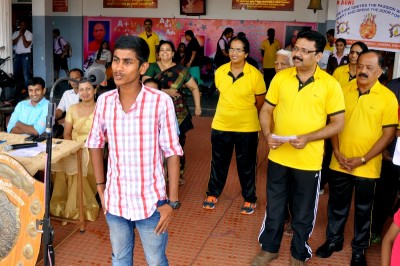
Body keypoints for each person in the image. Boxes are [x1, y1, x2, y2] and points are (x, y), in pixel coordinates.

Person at [86, 35, 183, 265]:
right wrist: (101, 188)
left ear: (143, 67)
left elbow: (172, 151)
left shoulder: (160, 102)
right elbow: (95, 143)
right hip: (115, 201)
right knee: (120, 259)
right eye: (116, 60)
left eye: (127, 62)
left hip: (151, 204)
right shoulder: (105, 101)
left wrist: (172, 203)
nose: (118, 68)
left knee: (156, 260)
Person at [252, 30, 345, 266]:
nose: (297, 54)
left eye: (305, 51)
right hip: (279, 156)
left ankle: (298, 254)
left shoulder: (330, 85)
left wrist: (309, 138)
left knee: (303, 211)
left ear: (318, 55)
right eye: (296, 49)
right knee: (274, 205)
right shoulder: (281, 78)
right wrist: (266, 134)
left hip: (308, 160)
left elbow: (338, 123)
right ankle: (269, 248)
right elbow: (266, 110)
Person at [316, 50, 398, 266]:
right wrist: (336, 151)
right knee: (336, 205)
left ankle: (359, 250)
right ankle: (333, 241)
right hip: (340, 162)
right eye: (360, 65)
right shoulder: (342, 90)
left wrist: (363, 159)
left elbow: (388, 134)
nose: (362, 71)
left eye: (369, 68)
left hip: (368, 166)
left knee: (364, 210)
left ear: (380, 71)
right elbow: (333, 123)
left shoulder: (388, 97)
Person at [202, 36, 266, 215]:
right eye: (231, 49)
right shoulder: (220, 71)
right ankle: (212, 194)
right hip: (221, 124)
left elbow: (260, 102)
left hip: (247, 127)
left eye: (239, 50)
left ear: (246, 53)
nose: (234, 53)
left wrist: (245, 113)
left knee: (246, 165)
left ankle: (249, 198)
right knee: (218, 162)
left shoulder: (255, 75)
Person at [143, 40, 202, 185]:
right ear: (158, 54)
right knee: (154, 143)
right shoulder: (152, 67)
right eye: (162, 50)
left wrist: (198, 107)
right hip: (154, 111)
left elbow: (194, 87)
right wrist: (165, 91)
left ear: (173, 53)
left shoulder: (181, 69)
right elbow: (144, 85)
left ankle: (177, 174)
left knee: (178, 143)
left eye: (168, 50)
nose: (164, 52)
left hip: (178, 111)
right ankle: (156, 174)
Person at [50, 80, 99, 222]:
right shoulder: (72, 108)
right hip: (74, 145)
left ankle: (82, 207)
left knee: (80, 165)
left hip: (93, 146)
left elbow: (108, 134)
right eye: (81, 89)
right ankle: (62, 204)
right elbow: (67, 133)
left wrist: (89, 145)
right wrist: (71, 148)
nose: (85, 92)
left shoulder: (101, 108)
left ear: (95, 90)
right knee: (61, 162)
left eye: (88, 89)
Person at [370, 76, 400, 245]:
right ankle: (375, 231)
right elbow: (384, 121)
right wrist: (384, 148)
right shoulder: (393, 86)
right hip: (391, 152)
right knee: (384, 194)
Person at [273, 49, 295, 237]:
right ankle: (283, 217)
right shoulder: (275, 82)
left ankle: (294, 219)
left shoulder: (297, 83)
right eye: (276, 64)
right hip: (277, 144)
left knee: (296, 186)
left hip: (298, 146)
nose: (279, 68)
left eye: (283, 64)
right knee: (280, 184)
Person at [12, 19, 33, 88]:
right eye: (20, 25)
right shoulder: (15, 33)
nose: (22, 27)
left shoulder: (29, 34)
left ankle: (27, 90)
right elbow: (13, 43)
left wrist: (23, 35)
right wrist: (19, 35)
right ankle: (14, 88)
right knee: (15, 72)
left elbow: (26, 45)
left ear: (26, 26)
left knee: (25, 74)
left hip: (25, 56)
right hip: (17, 56)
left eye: (23, 25)